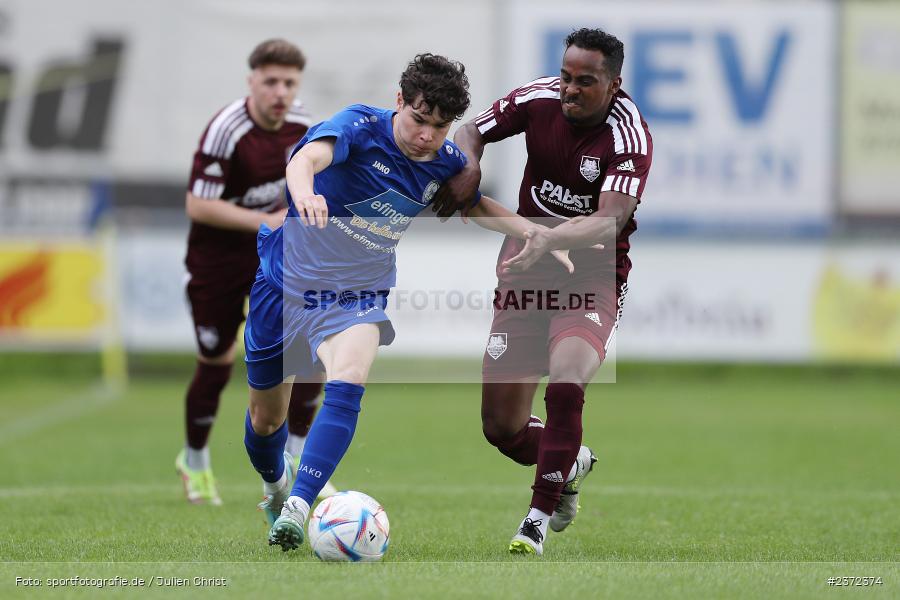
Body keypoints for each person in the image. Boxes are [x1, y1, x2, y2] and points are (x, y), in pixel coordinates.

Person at [241, 53, 574, 551]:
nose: (426, 136)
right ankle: (275, 487)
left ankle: (298, 506)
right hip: (284, 282)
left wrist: (534, 232)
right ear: (399, 102)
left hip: (357, 292)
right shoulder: (358, 125)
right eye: (419, 119)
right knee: (266, 419)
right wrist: (305, 192)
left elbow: (476, 205)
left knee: (348, 379)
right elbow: (305, 159)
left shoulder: (444, 162)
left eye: (440, 127)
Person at [431, 28, 653, 555]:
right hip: (525, 273)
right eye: (566, 77)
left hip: (590, 276)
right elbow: (470, 130)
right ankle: (569, 459)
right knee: (501, 428)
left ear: (614, 84)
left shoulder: (629, 137)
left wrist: (548, 235)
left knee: (567, 384)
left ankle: (536, 517)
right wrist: (469, 165)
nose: (570, 90)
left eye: (586, 82)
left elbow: (609, 220)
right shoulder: (538, 100)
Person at [177, 39, 333, 506]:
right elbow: (197, 204)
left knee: (309, 354)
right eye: (271, 81)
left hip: (282, 258)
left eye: (289, 82)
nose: (280, 92)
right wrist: (263, 220)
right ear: (252, 82)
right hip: (219, 262)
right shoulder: (227, 129)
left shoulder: (305, 125)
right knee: (216, 360)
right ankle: (196, 460)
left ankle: (300, 462)